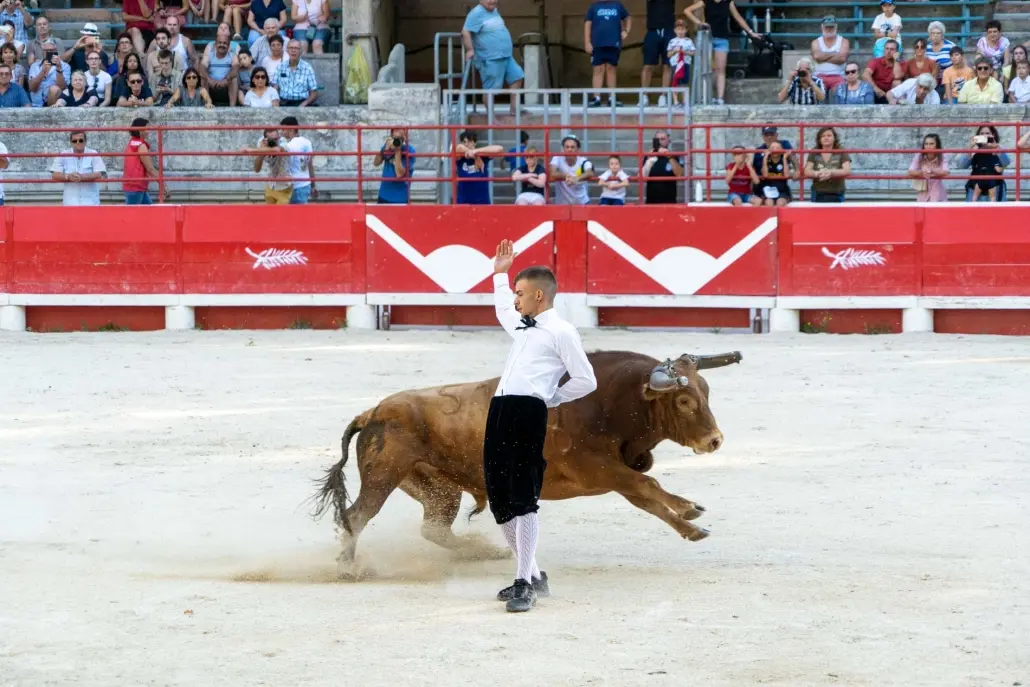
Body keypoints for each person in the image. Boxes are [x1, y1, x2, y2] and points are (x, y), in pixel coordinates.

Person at [486, 239, 597, 613]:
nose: (515, 300)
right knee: (499, 495)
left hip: (528, 412)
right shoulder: (521, 323)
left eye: (520, 293)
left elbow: (586, 379)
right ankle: (533, 575)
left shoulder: (562, 331)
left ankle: (523, 581)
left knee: (523, 495)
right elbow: (503, 306)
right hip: (499, 409)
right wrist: (500, 273)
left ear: (538, 295)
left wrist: (551, 397)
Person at [683, 0, 759, 105]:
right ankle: (704, 97)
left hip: (722, 39)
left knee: (721, 69)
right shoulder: (706, 1)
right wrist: (699, 23)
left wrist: (751, 32)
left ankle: (720, 98)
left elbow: (738, 18)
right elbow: (687, 11)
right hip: (708, 38)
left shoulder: (728, 2)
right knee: (706, 69)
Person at [584, 0, 631, 108]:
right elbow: (588, 24)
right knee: (598, 69)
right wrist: (587, 42)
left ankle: (612, 97)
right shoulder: (594, 7)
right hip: (597, 43)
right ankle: (596, 98)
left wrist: (626, 31)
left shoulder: (617, 5)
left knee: (611, 69)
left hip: (613, 43)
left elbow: (628, 18)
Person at [49, 131, 108, 206]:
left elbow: (99, 173)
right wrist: (68, 176)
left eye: (80, 140)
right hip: (70, 203)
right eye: (74, 141)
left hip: (90, 202)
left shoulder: (93, 153)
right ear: (71, 142)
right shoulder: (63, 155)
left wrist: (82, 177)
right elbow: (54, 175)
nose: (78, 143)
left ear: (85, 141)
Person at [454, 129, 503, 205]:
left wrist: (476, 152)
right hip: (463, 202)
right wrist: (475, 157)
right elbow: (458, 147)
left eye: (469, 141)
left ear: (475, 143)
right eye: (464, 142)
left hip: (482, 202)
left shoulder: (483, 156)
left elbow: (499, 148)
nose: (466, 144)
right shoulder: (460, 157)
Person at [640, 0, 675, 106]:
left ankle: (663, 96)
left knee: (667, 65)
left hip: (668, 30)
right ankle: (644, 96)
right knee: (648, 65)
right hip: (652, 30)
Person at [123, 117, 157, 204]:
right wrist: (164, 185)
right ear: (140, 130)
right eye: (146, 128)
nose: (148, 131)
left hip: (134, 186)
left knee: (149, 214)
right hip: (136, 187)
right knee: (134, 216)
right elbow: (150, 169)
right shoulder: (141, 146)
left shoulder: (132, 142)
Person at [907, 133, 948, 202]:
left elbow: (946, 172)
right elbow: (910, 171)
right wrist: (921, 173)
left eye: (931, 144)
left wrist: (932, 170)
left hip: (938, 195)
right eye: (926, 144)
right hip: (923, 196)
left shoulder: (942, 156)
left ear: (937, 145)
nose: (928, 146)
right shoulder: (919, 156)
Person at [666, 19, 695, 106]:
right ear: (675, 30)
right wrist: (675, 51)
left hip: (685, 63)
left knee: (684, 82)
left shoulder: (688, 41)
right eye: (678, 29)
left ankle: (685, 100)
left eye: (682, 29)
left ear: (686, 30)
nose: (680, 31)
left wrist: (684, 52)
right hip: (675, 64)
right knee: (676, 82)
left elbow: (693, 53)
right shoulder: (672, 41)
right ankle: (675, 101)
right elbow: (668, 54)